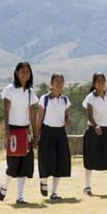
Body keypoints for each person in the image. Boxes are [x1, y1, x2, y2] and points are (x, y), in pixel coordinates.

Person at [0, 62, 38, 204]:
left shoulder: (31, 92)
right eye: (22, 71)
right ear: (16, 72)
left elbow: (33, 115)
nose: (25, 74)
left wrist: (36, 135)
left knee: (25, 165)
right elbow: (6, 111)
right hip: (13, 131)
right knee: (13, 164)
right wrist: (7, 129)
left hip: (25, 130)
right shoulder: (10, 89)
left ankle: (20, 196)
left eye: (27, 71)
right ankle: (4, 186)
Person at [35, 73, 72, 201]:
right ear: (51, 83)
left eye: (61, 81)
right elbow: (39, 119)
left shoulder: (65, 99)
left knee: (60, 162)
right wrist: (36, 136)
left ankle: (54, 193)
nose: (59, 83)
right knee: (46, 159)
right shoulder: (44, 99)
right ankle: (43, 181)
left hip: (60, 133)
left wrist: (67, 120)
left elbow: (67, 115)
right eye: (56, 81)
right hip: (47, 132)